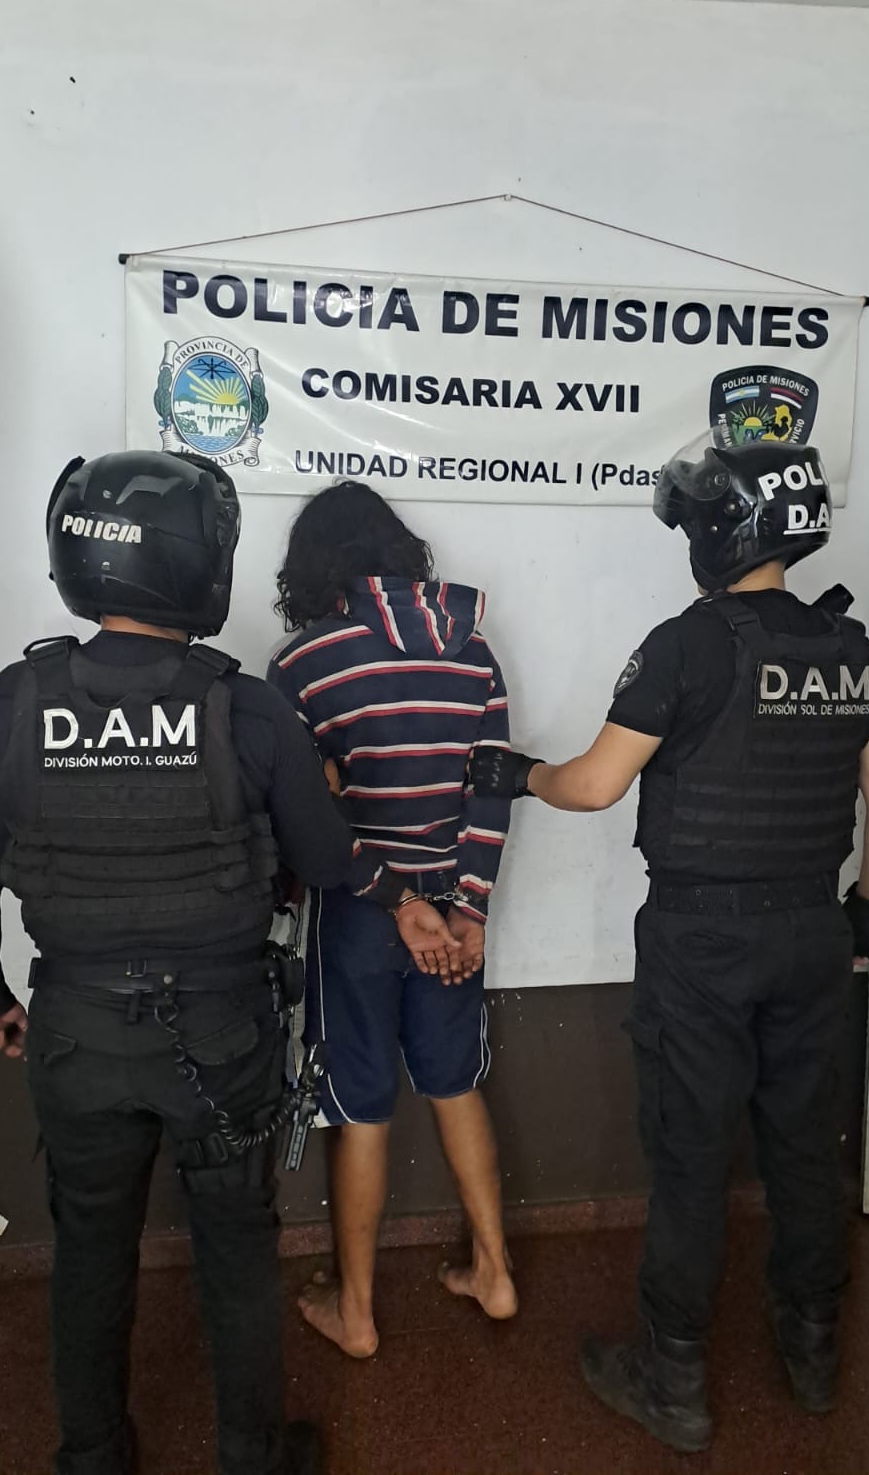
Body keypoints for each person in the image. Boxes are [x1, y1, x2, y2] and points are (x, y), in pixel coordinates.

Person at [0, 450, 452, 1475]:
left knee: (89, 1249)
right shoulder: (247, 708)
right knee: (236, 1252)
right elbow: (326, 860)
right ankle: (252, 1456)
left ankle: (91, 1455)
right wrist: (404, 896)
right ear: (200, 565)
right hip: (221, 1033)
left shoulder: (12, 701)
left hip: (75, 1032)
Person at [469, 433, 869, 1453]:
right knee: (804, 1150)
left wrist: (520, 774)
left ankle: (671, 1381)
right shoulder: (851, 651)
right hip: (812, 932)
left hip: (702, 940)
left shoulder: (688, 644)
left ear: (718, 537)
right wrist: (867, 908)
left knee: (691, 1159)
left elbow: (595, 784)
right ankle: (813, 1357)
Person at [267, 480, 518, 1361]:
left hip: (361, 914)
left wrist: (389, 894)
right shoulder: (474, 650)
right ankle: (494, 1273)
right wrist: (468, 908)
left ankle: (358, 1312)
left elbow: (304, 816)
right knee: (455, 1084)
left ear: (313, 565)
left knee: (362, 1108)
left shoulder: (304, 665)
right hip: (452, 913)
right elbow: (493, 791)